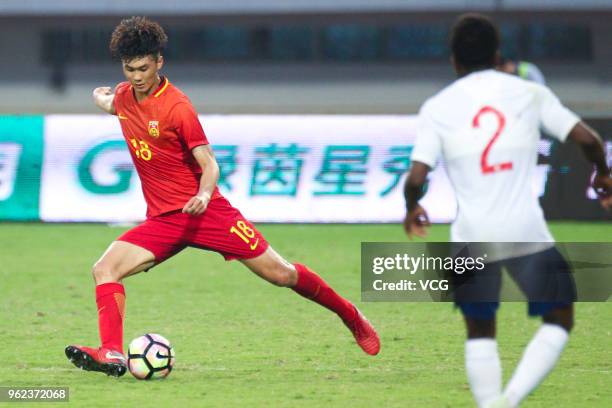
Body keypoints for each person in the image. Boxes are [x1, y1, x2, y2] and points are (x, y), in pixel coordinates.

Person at [65, 16, 380, 377]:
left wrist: (203, 193)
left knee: (282, 274)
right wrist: (99, 96)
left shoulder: (177, 108)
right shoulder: (124, 97)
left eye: (143, 68)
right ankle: (112, 354)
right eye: (129, 68)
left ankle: (350, 316)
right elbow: (112, 102)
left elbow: (209, 164)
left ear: (159, 62)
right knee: (104, 269)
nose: (136, 76)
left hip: (206, 213)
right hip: (164, 222)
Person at [403, 13, 611, 408]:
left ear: (454, 60)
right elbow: (588, 138)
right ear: (497, 55)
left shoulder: (437, 106)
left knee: (480, 332)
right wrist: (603, 174)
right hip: (525, 230)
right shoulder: (529, 93)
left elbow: (416, 177)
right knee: (560, 318)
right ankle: (509, 400)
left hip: (469, 237)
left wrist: (413, 208)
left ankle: (491, 405)